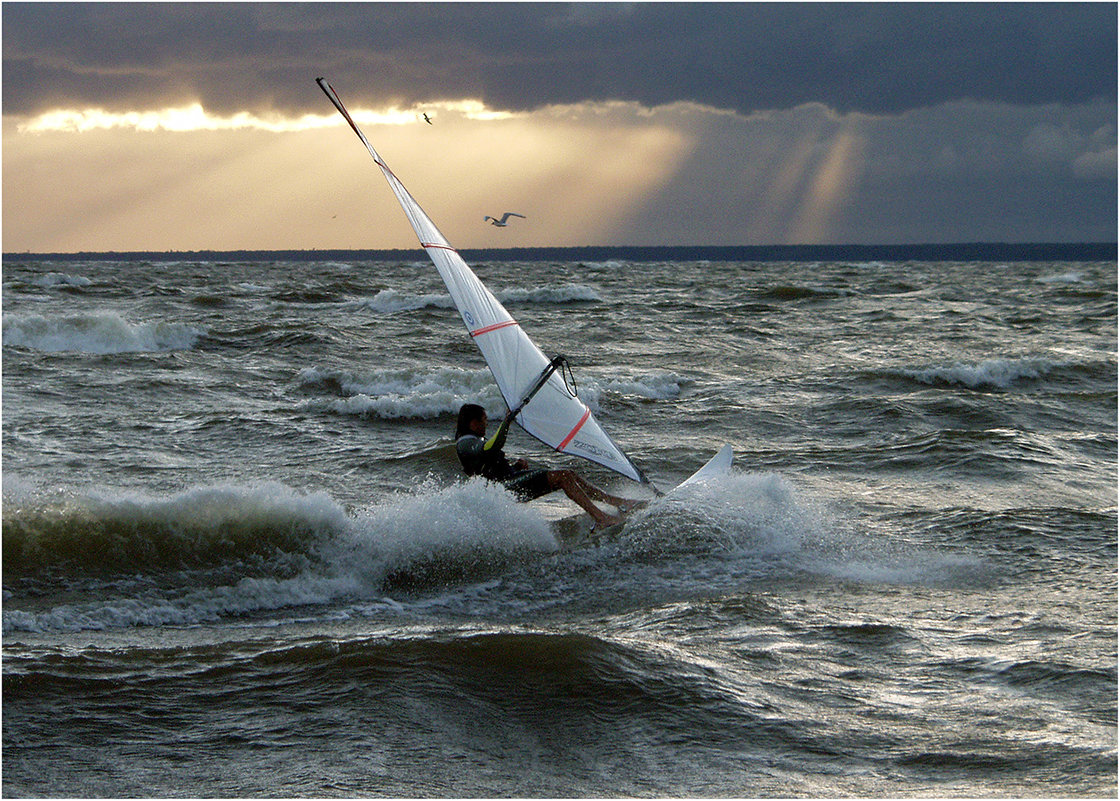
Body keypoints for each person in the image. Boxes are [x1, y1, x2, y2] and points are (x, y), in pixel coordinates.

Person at [454, 403, 642, 529]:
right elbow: (490, 448)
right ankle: (601, 517)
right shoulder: (465, 442)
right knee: (561, 477)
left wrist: (516, 467)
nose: (486, 424)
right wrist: (506, 422)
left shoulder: (475, 440)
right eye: (483, 421)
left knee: (568, 474)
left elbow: (490, 467)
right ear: (472, 422)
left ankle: (616, 502)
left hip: (507, 482)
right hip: (502, 491)